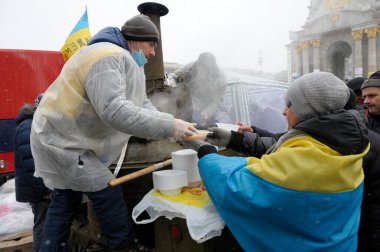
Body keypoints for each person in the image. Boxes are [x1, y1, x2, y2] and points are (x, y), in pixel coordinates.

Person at [30, 14, 196, 252]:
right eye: (151, 45)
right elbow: (114, 110)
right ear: (136, 39)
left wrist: (172, 123)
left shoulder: (125, 60)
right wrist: (169, 126)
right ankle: (124, 246)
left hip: (64, 138)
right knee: (108, 193)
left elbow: (141, 105)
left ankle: (50, 248)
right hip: (62, 141)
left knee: (65, 200)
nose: (152, 53)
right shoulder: (106, 56)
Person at [198, 72, 369, 251]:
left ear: (307, 110)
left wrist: (208, 156)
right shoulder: (343, 142)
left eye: (290, 105)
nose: (283, 111)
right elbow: (279, 145)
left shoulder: (304, 159)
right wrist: (235, 139)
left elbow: (236, 185)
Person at [14, 93, 52, 252]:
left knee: (44, 224)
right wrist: (45, 190)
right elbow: (31, 165)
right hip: (39, 190)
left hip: (37, 188)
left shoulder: (30, 124)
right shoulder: (29, 127)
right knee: (43, 226)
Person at [169, 52, 227, 128]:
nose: (205, 73)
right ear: (199, 65)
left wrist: (207, 112)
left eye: (208, 70)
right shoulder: (190, 67)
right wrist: (173, 86)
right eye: (203, 69)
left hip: (207, 108)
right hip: (188, 104)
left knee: (207, 128)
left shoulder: (221, 79)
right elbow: (172, 76)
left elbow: (217, 101)